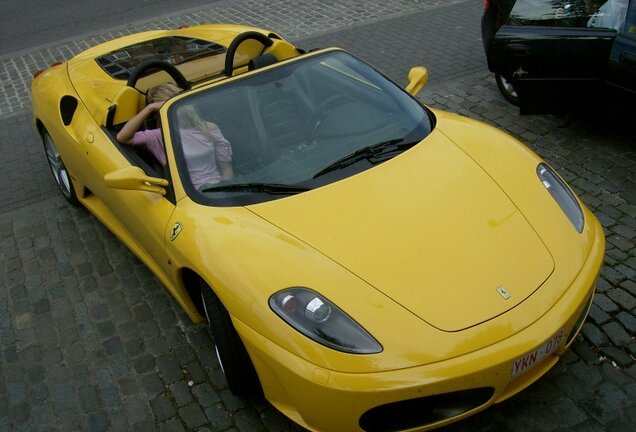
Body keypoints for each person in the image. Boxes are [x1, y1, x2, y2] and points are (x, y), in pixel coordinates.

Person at [116, 83, 234, 190]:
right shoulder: (158, 136)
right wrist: (149, 108)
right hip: (189, 196)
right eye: (161, 107)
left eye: (170, 105)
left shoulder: (208, 128)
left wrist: (226, 189)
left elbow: (227, 170)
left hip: (219, 188)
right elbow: (123, 137)